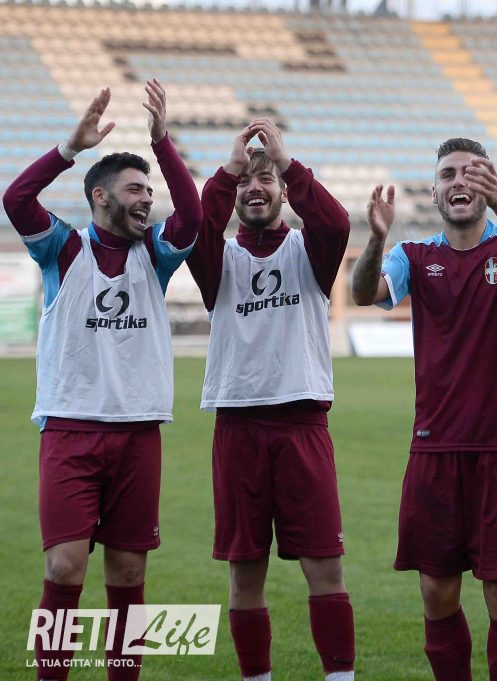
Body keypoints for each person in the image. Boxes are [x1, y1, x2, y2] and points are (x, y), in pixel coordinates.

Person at [2, 81, 200, 681]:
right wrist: (69, 148)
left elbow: (193, 215)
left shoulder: (155, 254)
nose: (147, 200)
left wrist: (162, 144)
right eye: (135, 190)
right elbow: (16, 198)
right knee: (64, 568)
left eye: (150, 191)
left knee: (129, 575)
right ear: (100, 196)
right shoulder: (63, 250)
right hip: (70, 431)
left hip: (138, 433)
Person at [350, 137, 497, 681]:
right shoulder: (414, 255)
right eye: (448, 174)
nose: (459, 181)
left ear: (488, 185)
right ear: (435, 189)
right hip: (434, 447)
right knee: (436, 590)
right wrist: (376, 238)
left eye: (472, 172)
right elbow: (365, 293)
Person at [185, 120, 355, 681]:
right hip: (238, 426)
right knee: (244, 573)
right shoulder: (218, 259)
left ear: (283, 190)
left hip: (303, 423)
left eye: (266, 180)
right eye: (244, 183)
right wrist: (228, 169)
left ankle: (340, 677)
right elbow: (196, 226)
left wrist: (285, 161)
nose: (254, 189)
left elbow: (335, 221)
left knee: (324, 568)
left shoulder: (311, 250)